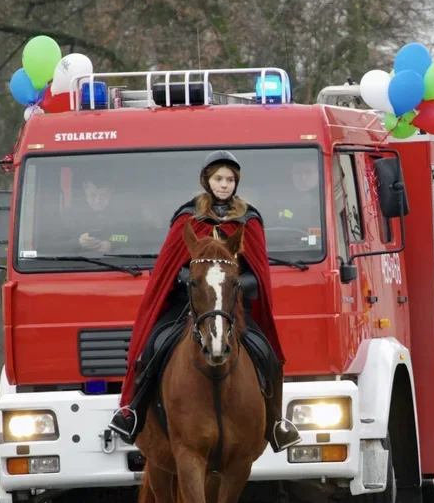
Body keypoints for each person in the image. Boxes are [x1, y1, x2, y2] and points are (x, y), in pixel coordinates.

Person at [108, 151, 301, 452]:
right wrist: (194, 281)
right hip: (188, 305)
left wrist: (232, 285)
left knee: (267, 353)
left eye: (230, 180)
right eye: (219, 179)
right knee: (153, 346)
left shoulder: (248, 220)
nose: (224, 185)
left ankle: (276, 421)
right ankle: (132, 410)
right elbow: (169, 269)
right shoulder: (189, 217)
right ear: (207, 181)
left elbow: (258, 275)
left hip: (233, 306)